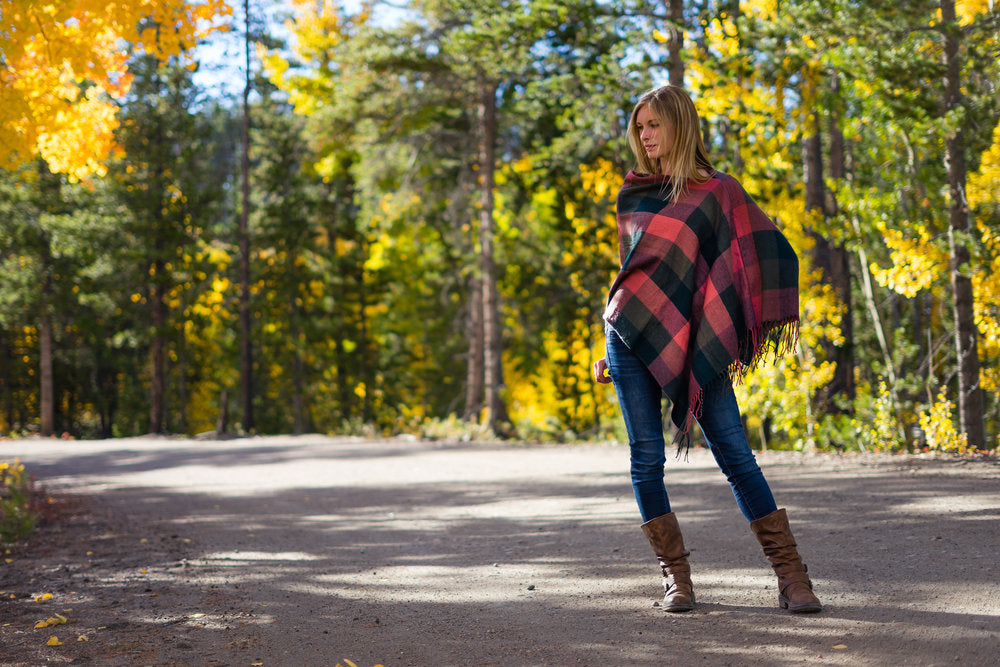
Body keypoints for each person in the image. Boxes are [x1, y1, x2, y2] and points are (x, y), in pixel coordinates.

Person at [593, 85, 822, 614]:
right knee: (646, 459)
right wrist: (611, 346)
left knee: (736, 455)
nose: (645, 136)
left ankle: (792, 579)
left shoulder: (719, 192)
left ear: (680, 125)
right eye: (640, 127)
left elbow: (769, 252)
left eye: (654, 125)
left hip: (698, 342)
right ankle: (677, 580)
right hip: (628, 335)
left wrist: (741, 322)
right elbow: (634, 275)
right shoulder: (634, 193)